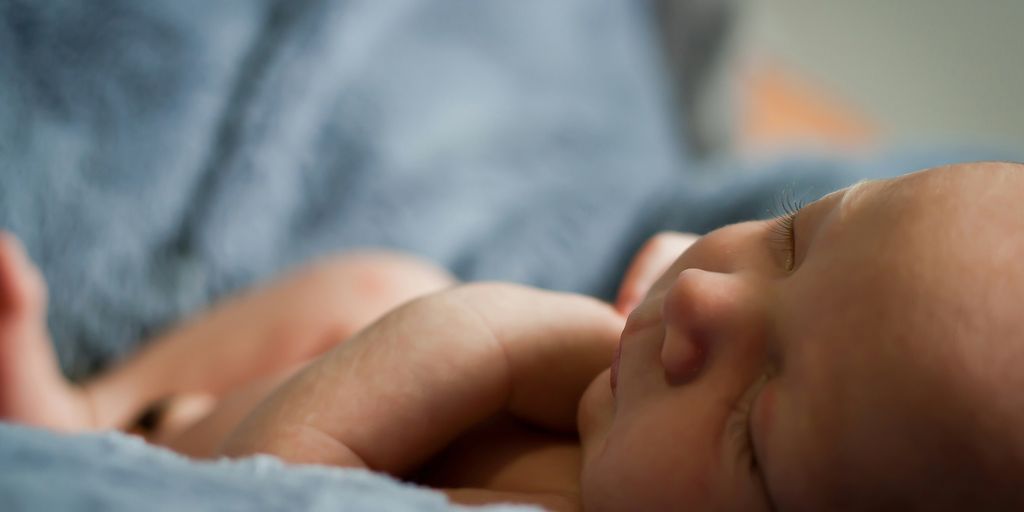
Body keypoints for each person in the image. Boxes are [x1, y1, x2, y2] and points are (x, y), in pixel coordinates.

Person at [3, 161, 1024, 510]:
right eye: (795, 236)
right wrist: (277, 476)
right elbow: (462, 332)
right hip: (202, 445)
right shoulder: (592, 369)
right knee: (385, 287)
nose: (710, 300)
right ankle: (86, 407)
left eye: (753, 433)